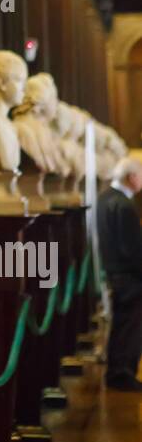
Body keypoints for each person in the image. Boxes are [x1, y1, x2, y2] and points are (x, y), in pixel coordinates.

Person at [96, 156, 142, 391]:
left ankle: (118, 371)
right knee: (129, 327)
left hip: (115, 272)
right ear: (132, 177)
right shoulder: (123, 204)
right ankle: (121, 373)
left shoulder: (106, 198)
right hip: (129, 277)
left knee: (122, 324)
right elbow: (132, 248)